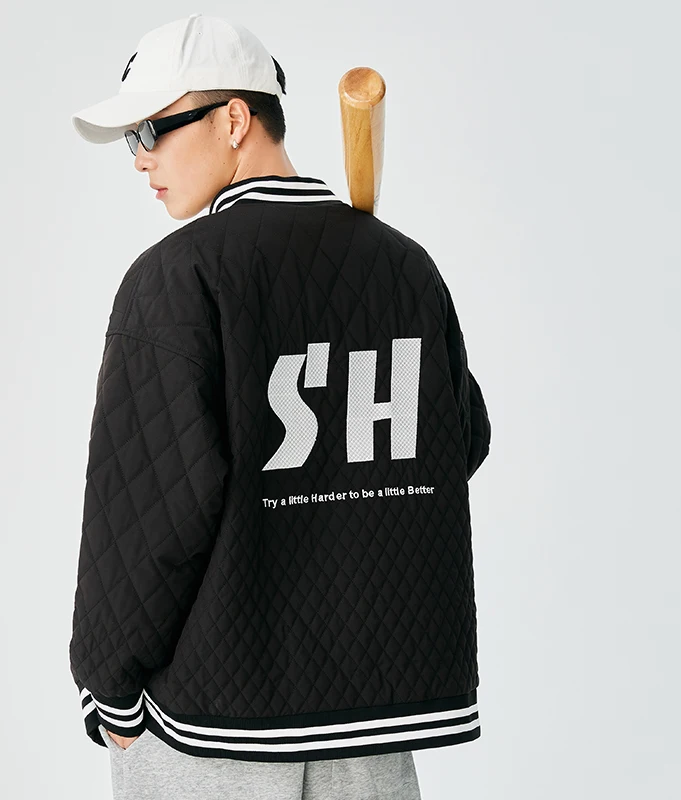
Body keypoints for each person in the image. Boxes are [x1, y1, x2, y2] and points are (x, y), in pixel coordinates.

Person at [69, 13, 491, 800]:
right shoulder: (405, 267)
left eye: (152, 130)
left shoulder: (175, 280)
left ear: (234, 120)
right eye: (131, 139)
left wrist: (109, 682)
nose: (141, 158)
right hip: (370, 728)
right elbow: (460, 442)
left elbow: (147, 517)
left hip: (209, 731)